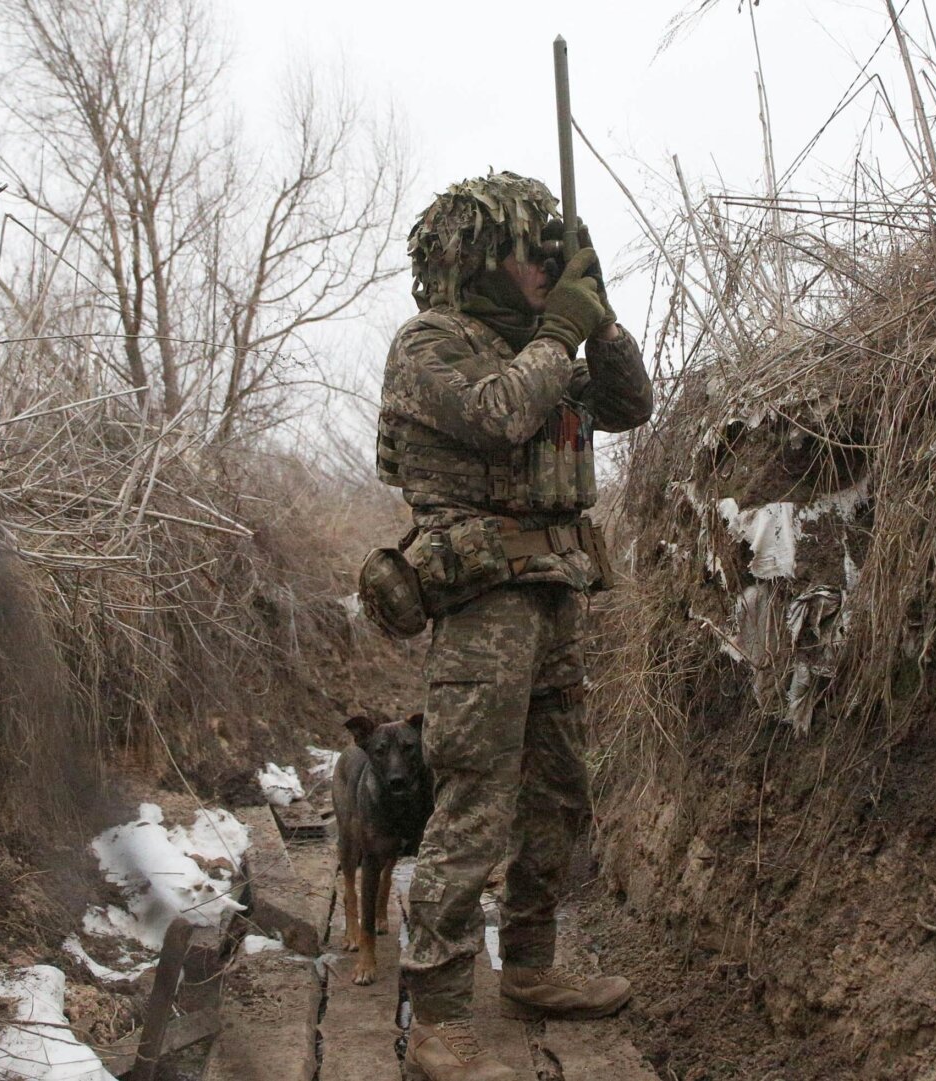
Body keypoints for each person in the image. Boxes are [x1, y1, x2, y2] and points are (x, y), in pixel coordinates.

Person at [376, 171, 653, 1081]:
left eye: (551, 252)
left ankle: (530, 967)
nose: (542, 267)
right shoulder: (432, 345)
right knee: (473, 801)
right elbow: (498, 417)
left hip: (556, 594)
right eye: (528, 251)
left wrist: (597, 315)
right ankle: (441, 1011)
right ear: (472, 258)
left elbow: (629, 405)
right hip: (482, 605)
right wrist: (561, 328)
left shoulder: (540, 345)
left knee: (557, 792)